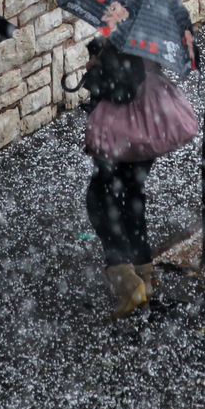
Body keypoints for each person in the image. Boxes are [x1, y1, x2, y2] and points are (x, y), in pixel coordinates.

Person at [79, 38, 158, 318]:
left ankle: (127, 282)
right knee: (132, 200)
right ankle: (144, 274)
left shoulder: (124, 44)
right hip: (144, 137)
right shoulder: (148, 40)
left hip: (119, 141)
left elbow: (121, 91)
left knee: (100, 202)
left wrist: (96, 70)